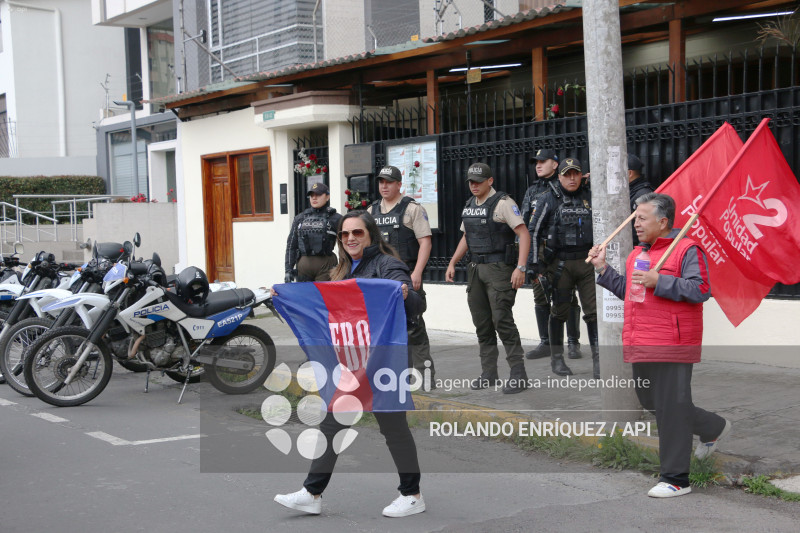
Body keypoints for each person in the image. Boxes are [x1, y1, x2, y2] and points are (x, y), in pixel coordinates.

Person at [274, 210, 425, 517]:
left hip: (384, 359)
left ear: (370, 235)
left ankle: (412, 494)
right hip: (354, 360)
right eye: (345, 234)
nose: (351, 238)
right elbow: (324, 309)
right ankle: (312, 493)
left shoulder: (386, 263)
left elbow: (417, 303)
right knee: (332, 421)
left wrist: (405, 292)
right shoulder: (340, 270)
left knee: (393, 427)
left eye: (357, 233)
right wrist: (287, 297)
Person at [588, 192, 732, 499]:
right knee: (655, 402)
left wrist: (661, 281)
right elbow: (631, 292)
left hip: (673, 342)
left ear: (663, 221)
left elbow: (701, 288)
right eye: (635, 218)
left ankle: (676, 479)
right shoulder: (638, 253)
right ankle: (714, 427)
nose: (636, 224)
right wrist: (603, 269)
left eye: (641, 218)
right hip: (642, 340)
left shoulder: (686, 249)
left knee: (672, 409)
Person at [445, 162, 531, 394]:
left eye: (478, 181)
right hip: (475, 269)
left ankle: (518, 373)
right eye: (471, 181)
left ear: (490, 181)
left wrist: (521, 267)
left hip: (499, 269)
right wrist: (453, 262)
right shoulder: (470, 205)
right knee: (482, 324)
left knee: (501, 320)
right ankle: (489, 372)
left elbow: (523, 233)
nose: (474, 185)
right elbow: (466, 236)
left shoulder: (503, 204)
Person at [528, 157, 599, 378]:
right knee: (559, 312)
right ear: (559, 177)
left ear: (581, 175)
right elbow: (533, 231)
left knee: (594, 313)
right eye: (567, 174)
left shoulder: (590, 197)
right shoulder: (548, 199)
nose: (571, 178)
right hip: (559, 265)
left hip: (587, 263)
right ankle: (557, 360)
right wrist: (533, 264)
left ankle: (599, 361)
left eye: (575, 174)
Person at [370, 165, 435, 388]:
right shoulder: (372, 211)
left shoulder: (412, 209)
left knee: (414, 326)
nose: (384, 186)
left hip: (406, 274)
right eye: (381, 182)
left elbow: (425, 242)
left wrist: (417, 272)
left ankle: (424, 377)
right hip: (381, 278)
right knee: (388, 329)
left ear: (399, 184)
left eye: (389, 182)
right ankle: (399, 376)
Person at [521, 149, 584, 361]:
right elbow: (524, 225)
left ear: (555, 165)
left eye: (543, 161)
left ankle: (573, 341)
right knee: (540, 295)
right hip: (540, 249)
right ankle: (546, 342)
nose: (538, 165)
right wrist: (526, 258)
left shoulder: (568, 184)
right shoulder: (532, 191)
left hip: (563, 250)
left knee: (568, 295)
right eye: (536, 162)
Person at [284, 182, 342, 282]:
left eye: (318, 195)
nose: (314, 198)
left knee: (323, 296)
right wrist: (288, 270)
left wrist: (344, 268)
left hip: (326, 266)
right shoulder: (300, 218)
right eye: (311, 195)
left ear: (327, 197)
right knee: (305, 297)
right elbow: (291, 245)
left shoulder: (336, 218)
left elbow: (345, 244)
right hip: (303, 268)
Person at [627, 154, 655, 246]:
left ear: (629, 173)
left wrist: (642, 250)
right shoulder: (630, 191)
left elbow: (647, 228)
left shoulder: (643, 195)